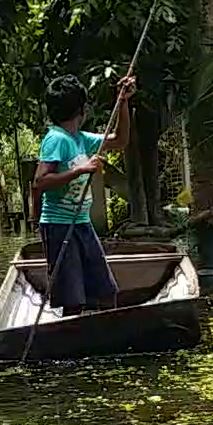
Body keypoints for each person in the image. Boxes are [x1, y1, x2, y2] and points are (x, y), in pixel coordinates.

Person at [32, 73, 135, 313]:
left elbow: (120, 140)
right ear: (82, 108)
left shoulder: (81, 139)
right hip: (58, 225)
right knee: (72, 299)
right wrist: (81, 169)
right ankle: (72, 338)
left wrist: (122, 103)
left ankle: (103, 330)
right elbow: (40, 181)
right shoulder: (56, 139)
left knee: (106, 290)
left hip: (82, 223)